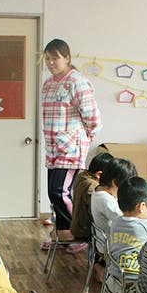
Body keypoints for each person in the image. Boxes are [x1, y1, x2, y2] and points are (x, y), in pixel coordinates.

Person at [41, 38, 102, 246]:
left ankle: (78, 235)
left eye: (55, 58)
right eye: (47, 58)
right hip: (53, 148)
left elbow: (94, 119)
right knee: (54, 193)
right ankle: (63, 234)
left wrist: (82, 140)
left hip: (71, 149)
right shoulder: (48, 83)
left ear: (66, 58)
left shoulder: (77, 82)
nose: (50, 63)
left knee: (60, 191)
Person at [104, 176, 147, 293]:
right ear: (142, 206)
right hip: (134, 289)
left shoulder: (116, 222)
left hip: (113, 282)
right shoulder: (145, 227)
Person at [91, 158, 137, 282]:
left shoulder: (99, 190)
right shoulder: (106, 200)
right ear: (115, 182)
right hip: (110, 245)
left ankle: (101, 266)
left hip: (102, 241)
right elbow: (125, 220)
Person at [63, 151, 113, 254]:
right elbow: (95, 213)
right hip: (84, 231)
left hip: (76, 225)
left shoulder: (82, 176)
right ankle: (100, 259)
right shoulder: (93, 187)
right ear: (99, 174)